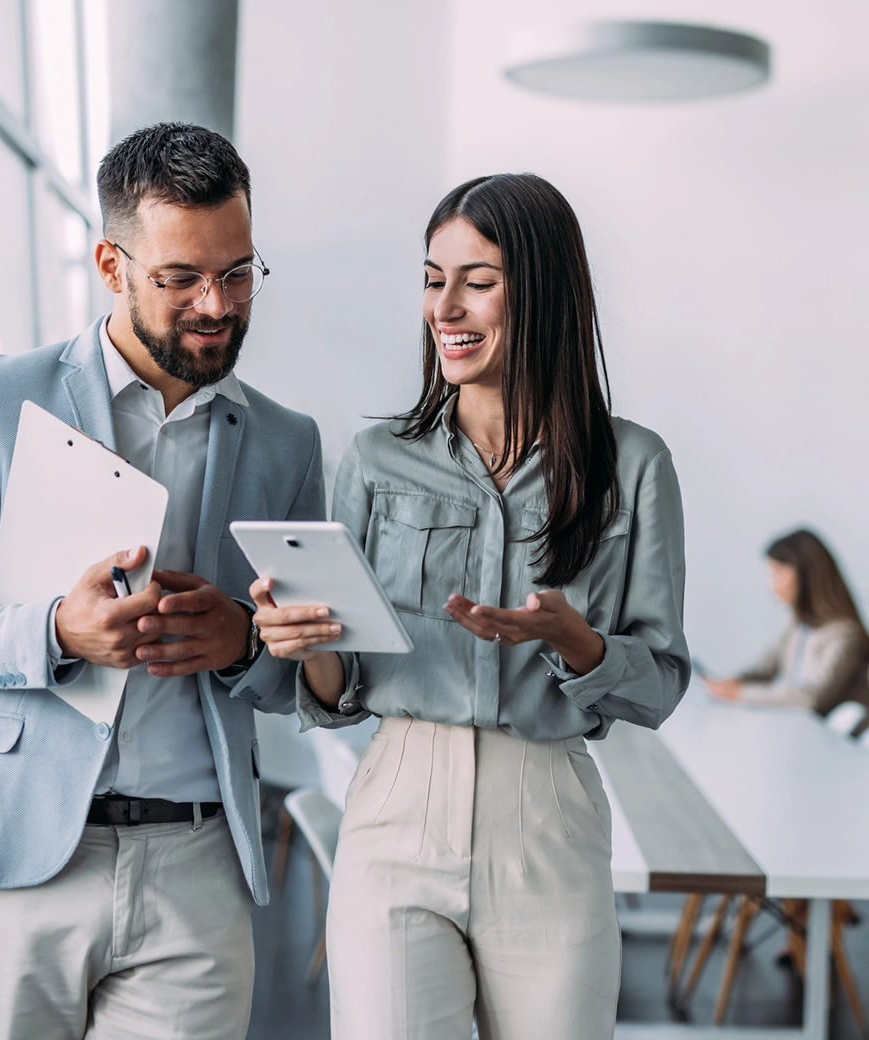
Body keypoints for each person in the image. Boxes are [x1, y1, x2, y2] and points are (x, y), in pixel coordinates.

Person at [0, 123, 325, 1040]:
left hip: (199, 867)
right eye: (181, 278)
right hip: (16, 854)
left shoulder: (287, 441)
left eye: (238, 273)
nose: (217, 304)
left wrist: (244, 642)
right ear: (111, 265)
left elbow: (303, 673)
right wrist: (54, 632)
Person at [251, 173, 690, 1040]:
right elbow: (347, 688)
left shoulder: (633, 465)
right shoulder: (376, 458)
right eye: (431, 277)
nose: (443, 306)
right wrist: (304, 642)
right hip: (396, 803)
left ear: (547, 293)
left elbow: (662, 682)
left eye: (478, 281)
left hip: (548, 816)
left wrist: (580, 645)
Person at [705, 529, 869, 726]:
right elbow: (766, 669)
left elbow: (812, 699)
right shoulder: (798, 623)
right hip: (804, 730)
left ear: (807, 575)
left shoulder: (845, 635)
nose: (772, 585)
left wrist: (740, 693)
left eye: (778, 574)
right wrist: (733, 682)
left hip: (840, 742)